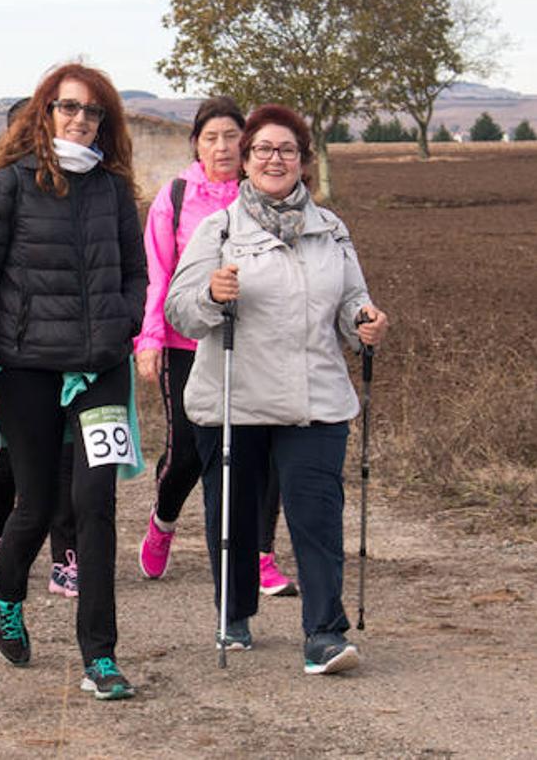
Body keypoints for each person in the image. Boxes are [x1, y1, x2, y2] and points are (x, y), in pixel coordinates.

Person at [166, 103, 389, 675]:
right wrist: (213, 296)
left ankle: (324, 633)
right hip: (233, 398)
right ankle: (234, 614)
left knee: (316, 516)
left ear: (303, 161)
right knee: (235, 516)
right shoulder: (217, 231)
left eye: (286, 150)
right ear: (245, 161)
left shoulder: (331, 229)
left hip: (315, 398)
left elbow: (348, 304)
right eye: (262, 149)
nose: (274, 159)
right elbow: (181, 312)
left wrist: (363, 321)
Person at [0, 63, 147, 700]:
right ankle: (6, 592)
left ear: (104, 123)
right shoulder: (7, 185)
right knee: (35, 505)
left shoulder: (114, 189)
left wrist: (122, 322)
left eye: (93, 112)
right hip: (27, 372)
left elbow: (135, 275)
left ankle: (101, 657)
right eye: (68, 108)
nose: (79, 120)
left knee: (95, 506)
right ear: (45, 112)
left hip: (100, 372)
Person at [134, 97, 297, 595]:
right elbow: (156, 273)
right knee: (188, 449)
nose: (222, 147)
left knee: (264, 447)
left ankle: (260, 553)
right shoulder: (177, 196)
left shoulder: (264, 195)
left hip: (256, 342)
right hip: (189, 342)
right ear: (197, 144)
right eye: (211, 138)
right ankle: (163, 522)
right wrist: (150, 338)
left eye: (232, 137)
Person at [0, 98, 79, 598]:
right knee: (13, 458)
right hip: (8, 348)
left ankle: (66, 555)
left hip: (68, 352)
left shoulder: (79, 193)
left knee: (70, 455)